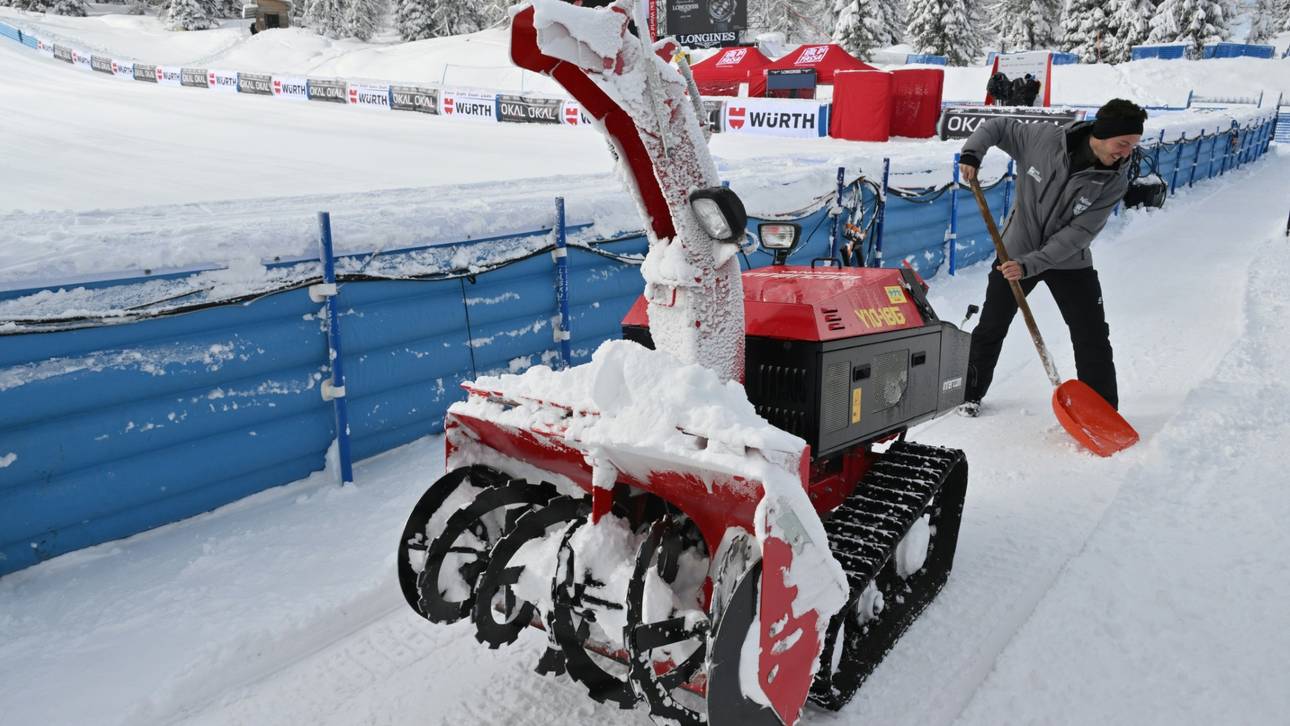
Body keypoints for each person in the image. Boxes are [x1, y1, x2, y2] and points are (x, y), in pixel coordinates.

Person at [956, 98, 1147, 417]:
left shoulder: (1114, 180)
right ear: (1101, 134)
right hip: (1014, 251)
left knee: (1091, 334)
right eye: (1123, 143)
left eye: (1133, 146)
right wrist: (973, 153)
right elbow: (998, 126)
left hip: (1068, 261)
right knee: (991, 326)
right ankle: (969, 394)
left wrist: (1031, 265)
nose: (1127, 153)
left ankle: (1101, 409)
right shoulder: (1042, 140)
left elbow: (1079, 233)